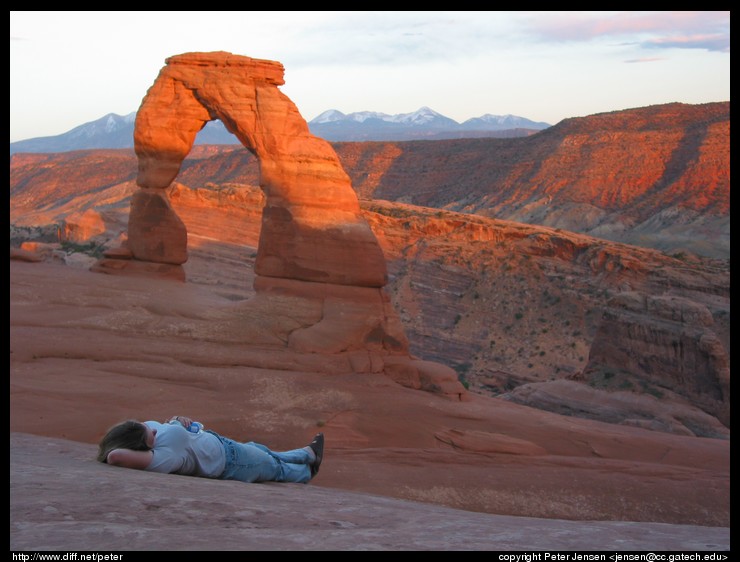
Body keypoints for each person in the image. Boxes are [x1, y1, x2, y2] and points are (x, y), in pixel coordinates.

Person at [97, 415, 324, 484]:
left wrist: (176, 420)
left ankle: (306, 454)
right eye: (150, 436)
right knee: (274, 468)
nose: (154, 431)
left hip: (224, 446)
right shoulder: (162, 458)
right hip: (231, 463)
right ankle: (306, 471)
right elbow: (115, 456)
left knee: (261, 450)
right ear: (140, 447)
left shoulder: (146, 432)